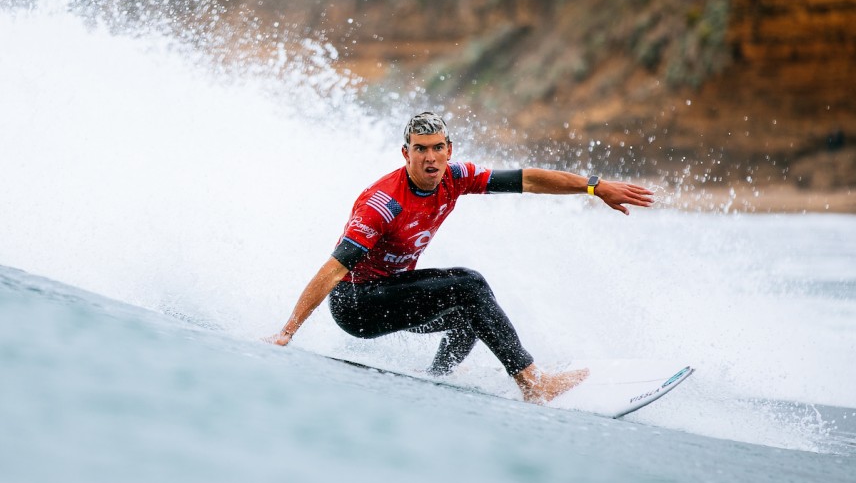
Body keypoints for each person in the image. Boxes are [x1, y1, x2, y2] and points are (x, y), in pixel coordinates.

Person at [266, 112, 654, 403]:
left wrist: (594, 186)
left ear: (448, 150)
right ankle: (534, 384)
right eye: (420, 149)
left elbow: (529, 180)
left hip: (392, 295)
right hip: (357, 304)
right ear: (406, 153)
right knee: (469, 283)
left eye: (437, 148)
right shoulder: (382, 203)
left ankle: (437, 376)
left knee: (474, 310)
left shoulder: (456, 176)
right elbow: (333, 270)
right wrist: (287, 332)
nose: (430, 158)